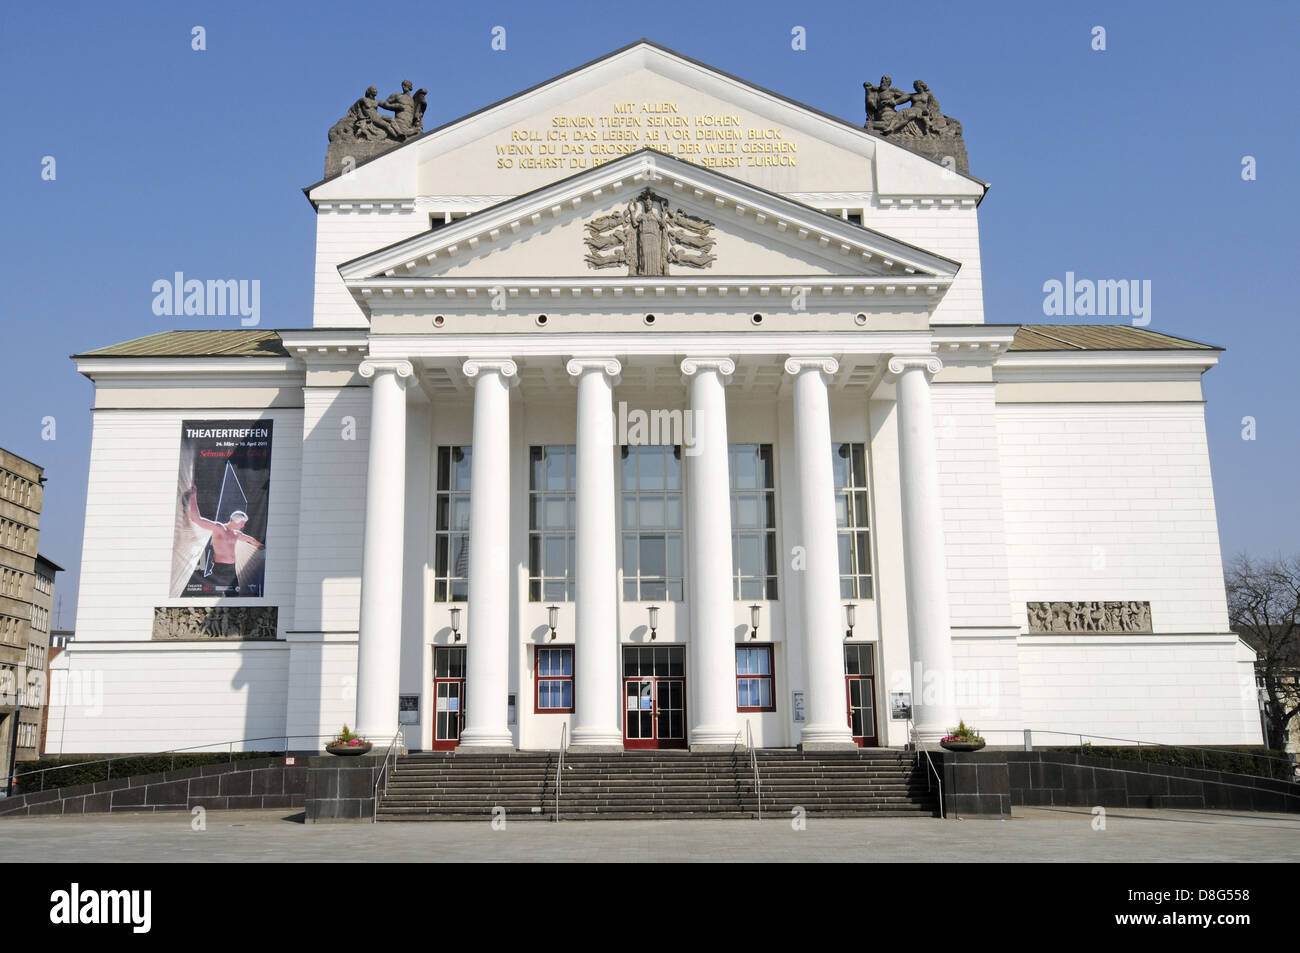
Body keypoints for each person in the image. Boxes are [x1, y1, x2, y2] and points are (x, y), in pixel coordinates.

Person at [184, 487, 263, 594]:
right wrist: (193, 497)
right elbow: (197, 519)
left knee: (236, 594)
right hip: (219, 569)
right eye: (242, 523)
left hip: (231, 570)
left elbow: (251, 539)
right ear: (235, 521)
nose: (243, 525)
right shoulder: (219, 528)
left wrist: (262, 546)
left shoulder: (237, 534)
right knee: (211, 594)